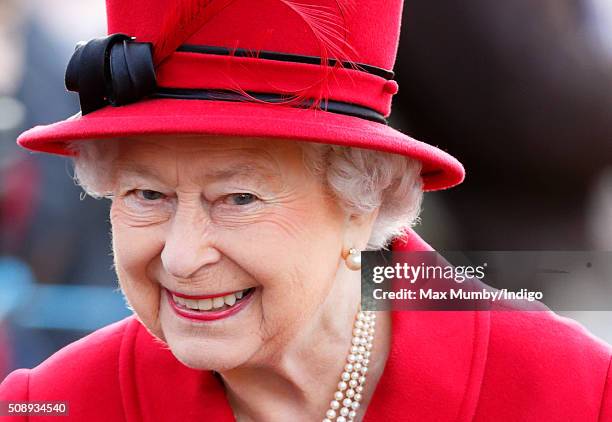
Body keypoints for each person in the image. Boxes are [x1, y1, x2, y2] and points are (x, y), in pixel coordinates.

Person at [1, 1, 611, 421]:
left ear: (361, 201)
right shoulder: (48, 404)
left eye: (238, 198)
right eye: (146, 195)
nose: (182, 257)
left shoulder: (572, 394)